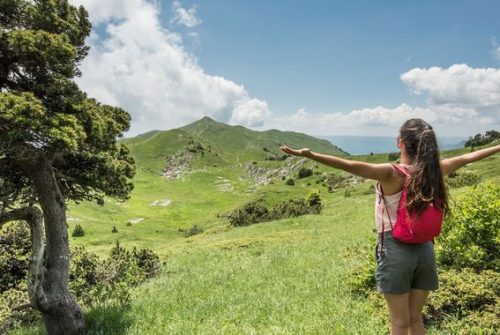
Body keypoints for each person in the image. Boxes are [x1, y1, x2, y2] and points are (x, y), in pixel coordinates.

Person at [280, 118, 500, 335]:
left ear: (400, 142)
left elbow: (349, 165)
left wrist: (311, 155)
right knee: (415, 319)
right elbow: (469, 157)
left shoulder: (392, 172)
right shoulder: (435, 170)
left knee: (399, 322)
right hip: (425, 250)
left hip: (395, 250)